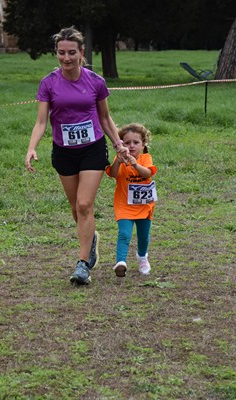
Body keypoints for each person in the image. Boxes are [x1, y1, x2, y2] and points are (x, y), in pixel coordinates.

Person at [25, 26, 129, 285]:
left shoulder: (96, 82)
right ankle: (91, 239)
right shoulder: (48, 83)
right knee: (75, 208)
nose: (66, 58)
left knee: (84, 204)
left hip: (93, 148)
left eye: (72, 52)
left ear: (82, 52)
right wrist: (31, 147)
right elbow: (41, 122)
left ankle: (83, 264)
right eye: (61, 53)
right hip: (64, 152)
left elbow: (104, 117)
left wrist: (118, 143)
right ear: (56, 53)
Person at [105, 123, 157, 277]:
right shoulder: (119, 159)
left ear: (143, 144)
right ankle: (121, 262)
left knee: (143, 236)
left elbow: (147, 173)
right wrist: (118, 162)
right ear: (121, 144)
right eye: (127, 143)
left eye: (136, 143)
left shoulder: (145, 158)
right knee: (124, 234)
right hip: (124, 205)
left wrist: (135, 165)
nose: (131, 146)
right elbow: (113, 174)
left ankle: (142, 257)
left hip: (144, 205)